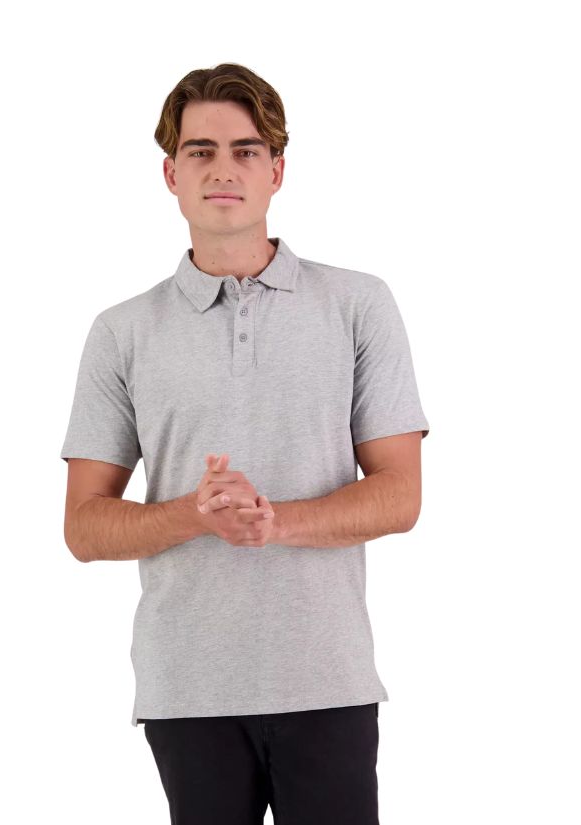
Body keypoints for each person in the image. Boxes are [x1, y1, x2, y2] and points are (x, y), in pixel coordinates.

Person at [60, 62, 430, 825]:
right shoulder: (121, 332)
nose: (222, 169)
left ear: (277, 171)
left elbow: (401, 494)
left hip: (327, 679)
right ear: (171, 173)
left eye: (245, 150)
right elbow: (84, 526)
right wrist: (192, 515)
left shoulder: (359, 305)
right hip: (187, 690)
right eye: (200, 151)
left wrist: (274, 521)